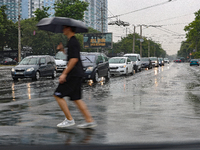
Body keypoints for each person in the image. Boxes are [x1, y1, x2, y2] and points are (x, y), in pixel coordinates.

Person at [53, 25, 97, 129]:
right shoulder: (72, 41)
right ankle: (89, 120)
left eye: (64, 28)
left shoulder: (73, 42)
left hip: (73, 74)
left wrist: (64, 74)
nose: (62, 29)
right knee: (76, 98)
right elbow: (72, 55)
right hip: (77, 73)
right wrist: (62, 50)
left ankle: (69, 119)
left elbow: (74, 59)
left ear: (69, 29)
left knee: (57, 95)